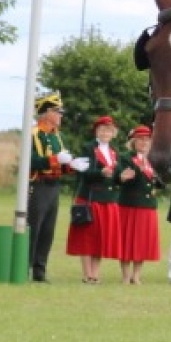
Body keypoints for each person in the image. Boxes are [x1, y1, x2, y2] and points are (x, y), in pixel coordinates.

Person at [26, 92, 87, 283]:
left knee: (47, 231)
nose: (60, 115)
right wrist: (54, 160)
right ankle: (24, 268)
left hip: (53, 187)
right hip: (38, 186)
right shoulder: (33, 134)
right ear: (46, 113)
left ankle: (40, 271)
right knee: (34, 229)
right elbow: (31, 161)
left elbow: (61, 162)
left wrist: (71, 165)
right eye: (57, 112)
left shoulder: (56, 136)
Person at [65, 115, 128, 284]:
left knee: (101, 238)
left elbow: (115, 177)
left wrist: (121, 177)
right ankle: (87, 274)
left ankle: (95, 273)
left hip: (108, 200)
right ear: (96, 131)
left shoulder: (115, 151)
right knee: (87, 238)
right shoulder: (88, 148)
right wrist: (100, 173)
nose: (105, 133)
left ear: (113, 133)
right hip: (90, 199)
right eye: (102, 130)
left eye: (109, 130)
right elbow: (83, 173)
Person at [116, 125, 166, 284]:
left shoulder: (153, 158)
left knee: (142, 242)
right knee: (126, 241)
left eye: (147, 140)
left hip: (148, 205)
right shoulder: (126, 157)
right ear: (133, 142)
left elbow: (160, 183)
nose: (144, 143)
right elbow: (120, 176)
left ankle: (136, 275)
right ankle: (125, 275)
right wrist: (137, 170)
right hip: (129, 204)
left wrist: (155, 175)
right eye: (140, 140)